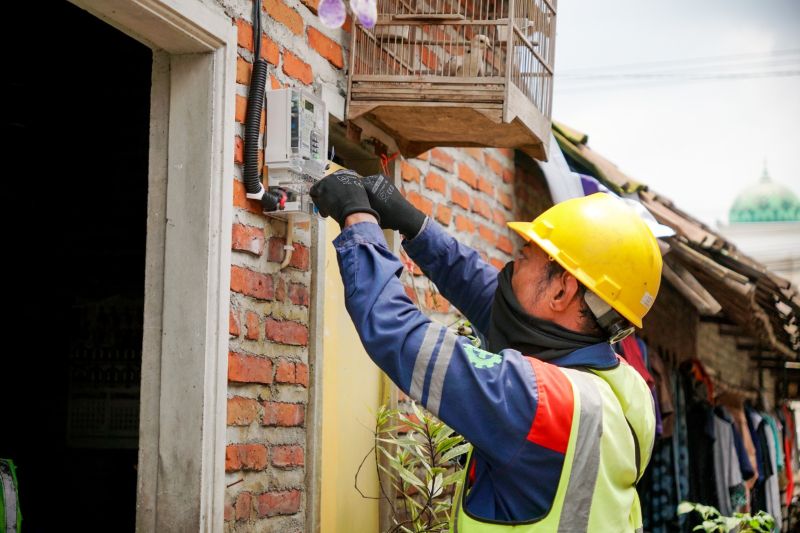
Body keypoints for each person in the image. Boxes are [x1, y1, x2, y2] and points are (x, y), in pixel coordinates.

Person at [310, 168, 662, 531]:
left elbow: (396, 332)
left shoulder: (539, 401)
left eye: (524, 256)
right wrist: (415, 226)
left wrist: (358, 220)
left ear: (562, 292)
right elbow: (498, 307)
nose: (511, 268)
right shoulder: (630, 393)